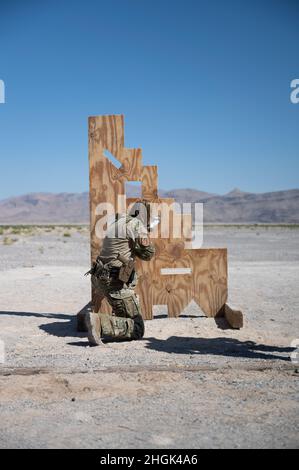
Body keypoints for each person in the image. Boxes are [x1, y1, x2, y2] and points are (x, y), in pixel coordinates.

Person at [85, 203, 155, 346]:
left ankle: (111, 321)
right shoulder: (136, 225)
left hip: (100, 277)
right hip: (115, 283)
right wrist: (147, 233)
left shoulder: (117, 223)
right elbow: (148, 254)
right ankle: (99, 323)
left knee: (124, 312)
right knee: (137, 328)